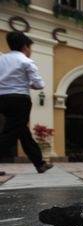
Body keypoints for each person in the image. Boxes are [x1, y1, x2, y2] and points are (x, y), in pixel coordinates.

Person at [0, 32, 53, 174]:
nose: (30, 51)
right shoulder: (25, 61)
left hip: (2, 99)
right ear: (25, 47)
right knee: (10, 133)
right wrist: (28, 84)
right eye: (30, 48)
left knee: (22, 131)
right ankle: (40, 163)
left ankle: (40, 163)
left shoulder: (1, 59)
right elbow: (39, 84)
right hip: (19, 100)